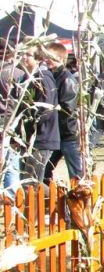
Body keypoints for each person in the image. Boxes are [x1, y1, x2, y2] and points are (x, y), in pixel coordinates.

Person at [43, 42, 84, 182]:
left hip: (67, 134)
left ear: (60, 58)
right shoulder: (50, 76)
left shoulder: (67, 79)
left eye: (50, 57)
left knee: (76, 174)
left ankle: (80, 201)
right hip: (55, 133)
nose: (46, 60)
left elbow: (66, 109)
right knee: (44, 170)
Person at [19, 47, 59, 186]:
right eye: (22, 54)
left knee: (31, 184)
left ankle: (62, 202)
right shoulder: (25, 78)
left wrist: (29, 124)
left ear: (38, 59)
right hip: (28, 139)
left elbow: (46, 109)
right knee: (28, 182)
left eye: (28, 54)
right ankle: (58, 202)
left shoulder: (43, 78)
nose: (23, 57)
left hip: (42, 138)